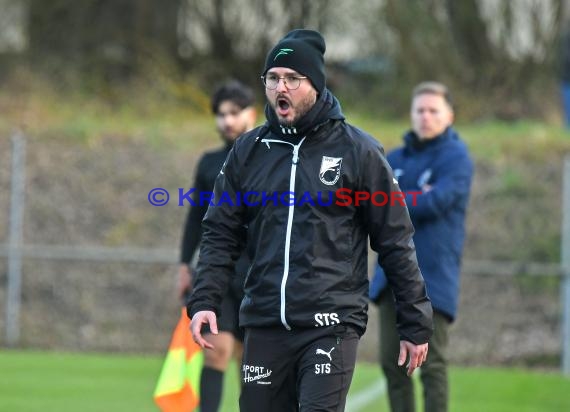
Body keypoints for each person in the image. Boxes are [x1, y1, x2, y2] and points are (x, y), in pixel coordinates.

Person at [189, 29, 433, 412]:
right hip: (266, 321)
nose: (280, 87)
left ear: (314, 84)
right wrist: (205, 298)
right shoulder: (249, 150)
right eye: (272, 78)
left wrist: (414, 322)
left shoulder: (358, 151)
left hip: (331, 322)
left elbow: (395, 240)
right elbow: (220, 231)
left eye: (291, 78)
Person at [370, 82, 474, 412]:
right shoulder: (394, 158)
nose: (425, 117)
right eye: (420, 110)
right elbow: (374, 206)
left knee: (432, 364)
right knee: (392, 363)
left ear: (449, 116)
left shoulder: (456, 158)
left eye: (433, 110)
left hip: (434, 276)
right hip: (392, 275)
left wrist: (396, 199)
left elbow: (436, 203)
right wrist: (412, 196)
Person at [178, 80, 256, 412]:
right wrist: (184, 264)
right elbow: (196, 217)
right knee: (217, 349)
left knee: (251, 361)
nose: (227, 121)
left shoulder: (271, 156)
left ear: (251, 113)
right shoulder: (209, 163)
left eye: (234, 113)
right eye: (221, 114)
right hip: (220, 269)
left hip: (259, 271)